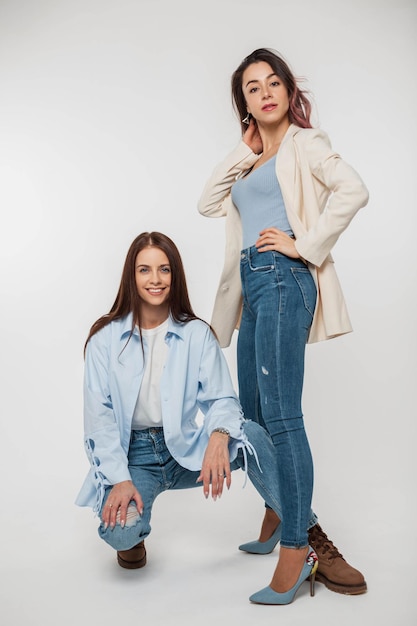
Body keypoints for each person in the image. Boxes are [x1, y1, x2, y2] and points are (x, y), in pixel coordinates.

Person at [197, 48, 369, 601]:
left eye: (274, 82)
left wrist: (305, 246)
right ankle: (277, 510)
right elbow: (207, 203)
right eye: (253, 87)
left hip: (281, 278)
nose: (266, 92)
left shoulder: (305, 144)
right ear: (243, 102)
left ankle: (299, 547)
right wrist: (243, 149)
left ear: (289, 92)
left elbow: (354, 190)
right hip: (253, 288)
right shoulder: (250, 160)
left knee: (283, 416)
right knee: (251, 418)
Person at [75, 231, 319, 605]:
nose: (155, 279)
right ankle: (133, 542)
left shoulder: (195, 334)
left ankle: (308, 538)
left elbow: (222, 397)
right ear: (131, 276)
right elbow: (100, 421)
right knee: (120, 531)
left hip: (186, 450)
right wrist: (120, 479)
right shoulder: (104, 339)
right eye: (145, 270)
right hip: (134, 457)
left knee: (251, 435)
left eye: (164, 269)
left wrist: (219, 436)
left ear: (175, 276)